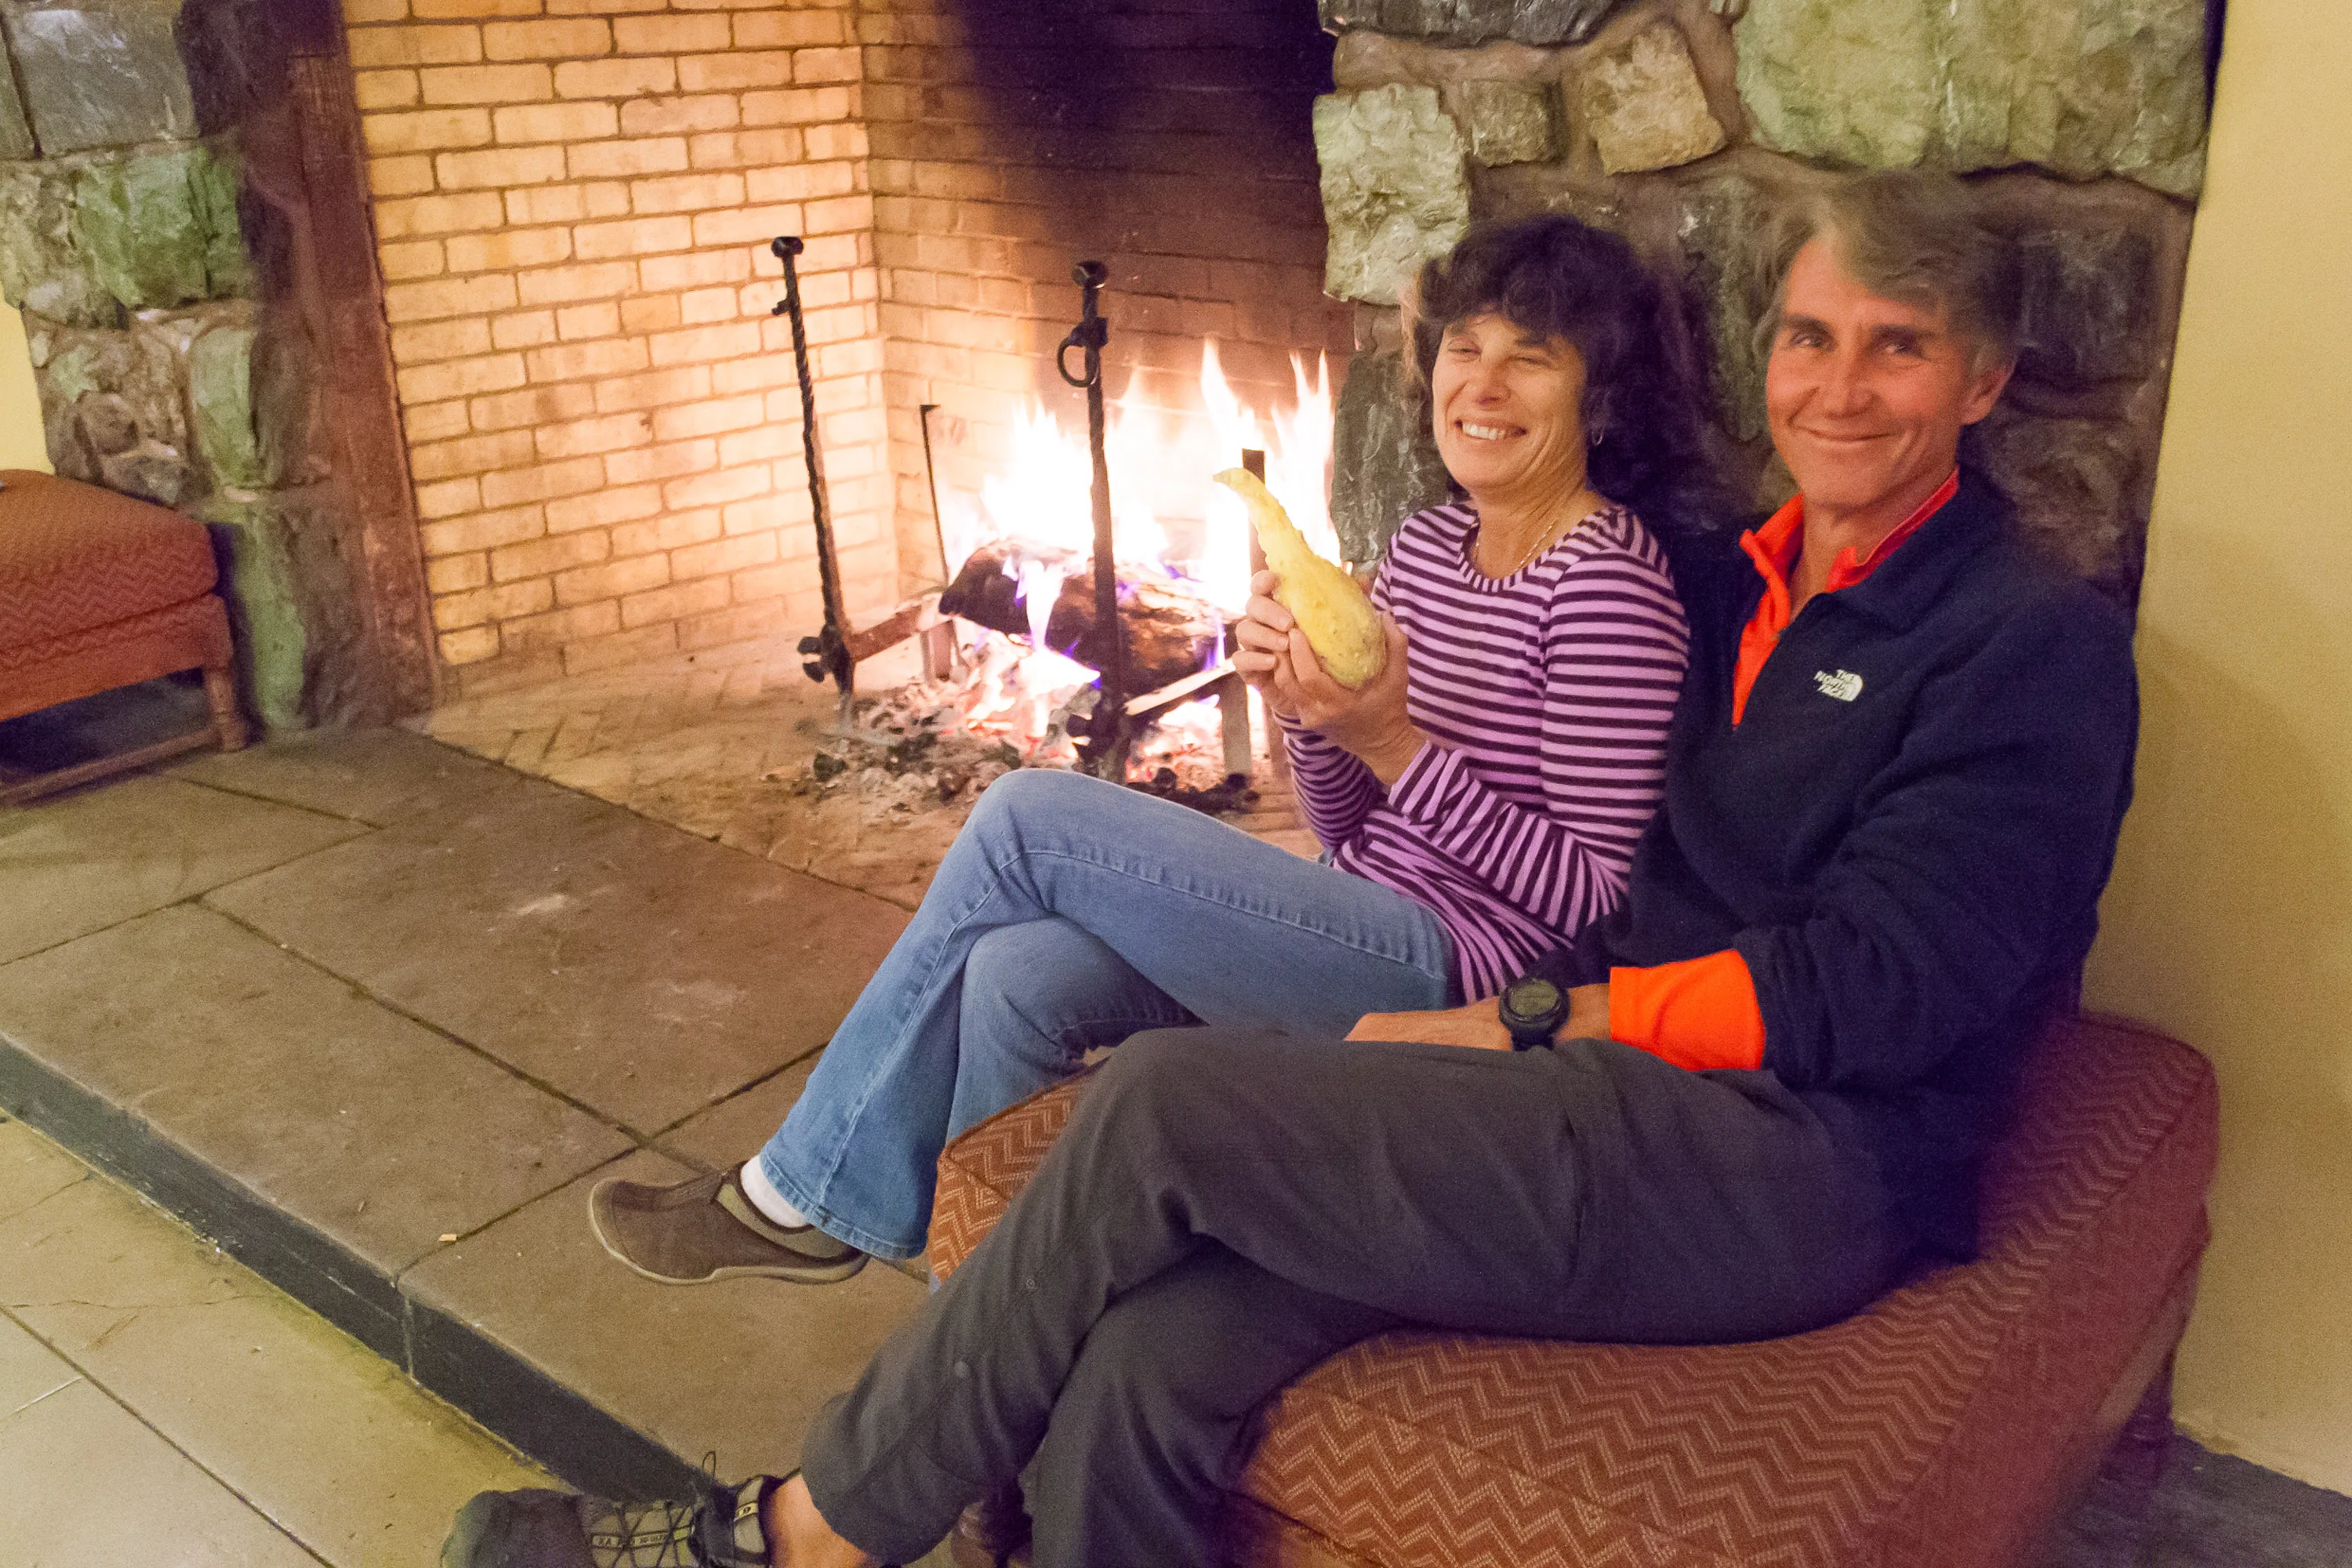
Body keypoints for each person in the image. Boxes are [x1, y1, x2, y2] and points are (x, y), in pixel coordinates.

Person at [445, 170, 2138, 1568]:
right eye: (1812, 339)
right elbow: (1473, 839)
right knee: (1147, 1356)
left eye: (1898, 350)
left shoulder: (2026, 646)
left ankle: (792, 1537)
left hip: (1800, 1162)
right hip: (1619, 1089)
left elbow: (1874, 986)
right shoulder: (1746, 581)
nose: (1839, 387)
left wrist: (1533, 1017)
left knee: (1168, 1103)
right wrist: (1337, 727)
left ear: (1981, 385)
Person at [584, 214, 1716, 1289]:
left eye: (1533, 358)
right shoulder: (1426, 549)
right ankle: (971, 1317)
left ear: (1600, 399)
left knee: (1029, 815)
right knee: (1015, 976)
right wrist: (1302, 714)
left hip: (1470, 978)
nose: (1482, 383)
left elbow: (1590, 902)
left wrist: (1391, 736)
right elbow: (1352, 831)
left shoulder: (1608, 588)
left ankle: (802, 1195)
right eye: (1464, 348)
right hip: (1359, 912)